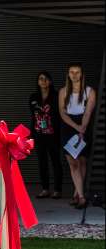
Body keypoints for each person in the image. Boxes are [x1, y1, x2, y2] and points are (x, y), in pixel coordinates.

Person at [58, 63, 97, 209]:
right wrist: (76, 127)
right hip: (68, 126)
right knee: (73, 162)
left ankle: (76, 192)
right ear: (68, 74)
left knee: (81, 161)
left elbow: (88, 112)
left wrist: (82, 128)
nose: (74, 74)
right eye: (71, 72)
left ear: (82, 74)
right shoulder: (63, 92)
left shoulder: (90, 91)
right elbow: (62, 113)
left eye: (77, 72)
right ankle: (81, 197)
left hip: (84, 124)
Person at [29, 71, 62, 199]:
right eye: (41, 79)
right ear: (38, 82)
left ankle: (57, 190)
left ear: (50, 81)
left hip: (53, 134)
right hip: (39, 134)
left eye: (46, 79)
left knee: (55, 161)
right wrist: (32, 134)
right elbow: (33, 115)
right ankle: (45, 189)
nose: (43, 81)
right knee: (42, 162)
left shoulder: (56, 95)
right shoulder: (33, 97)